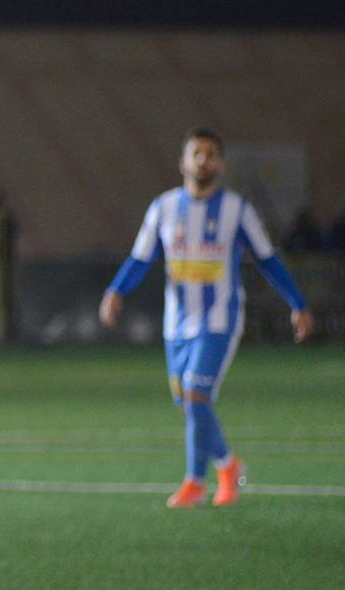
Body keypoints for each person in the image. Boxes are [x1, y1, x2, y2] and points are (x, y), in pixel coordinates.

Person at [100, 127, 313, 508]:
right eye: (196, 153)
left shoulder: (237, 210)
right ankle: (228, 465)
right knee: (189, 404)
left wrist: (297, 303)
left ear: (221, 164)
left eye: (211, 154)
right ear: (183, 162)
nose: (204, 160)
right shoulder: (163, 208)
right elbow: (141, 258)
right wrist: (116, 291)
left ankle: (194, 483)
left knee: (197, 394)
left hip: (220, 320)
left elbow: (268, 259)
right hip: (176, 325)